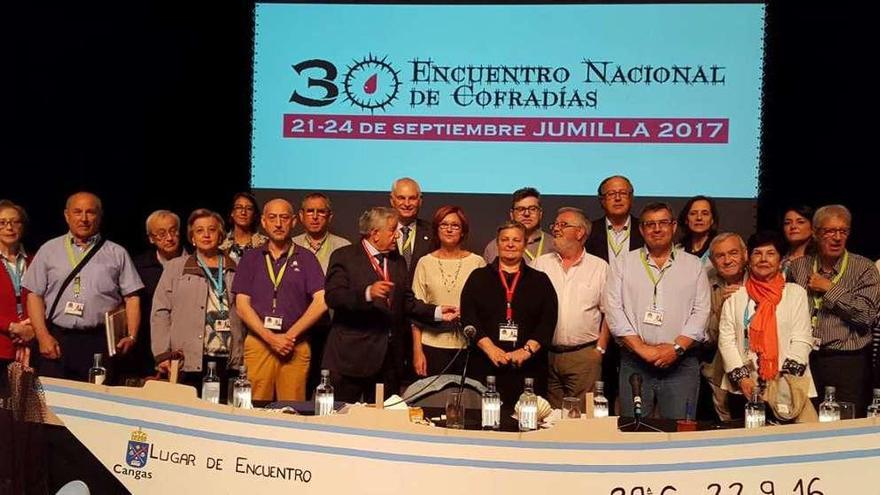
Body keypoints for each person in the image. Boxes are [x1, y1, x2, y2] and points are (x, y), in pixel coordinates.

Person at [322, 207, 458, 403]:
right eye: (393, 230)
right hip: (351, 359)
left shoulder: (397, 261)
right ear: (375, 233)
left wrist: (437, 312)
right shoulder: (344, 256)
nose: (398, 235)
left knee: (382, 423)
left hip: (388, 362)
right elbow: (334, 297)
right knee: (340, 420)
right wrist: (368, 293)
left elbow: (407, 303)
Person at [23, 192, 143, 381]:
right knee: (50, 405)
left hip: (99, 341)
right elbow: (34, 295)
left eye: (90, 212)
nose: (84, 218)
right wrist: (42, 336)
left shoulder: (117, 253)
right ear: (66, 215)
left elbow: (132, 297)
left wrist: (132, 336)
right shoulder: (49, 250)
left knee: (95, 403)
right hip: (57, 339)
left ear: (100, 215)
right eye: (78, 212)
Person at [605, 202, 710, 420]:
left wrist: (676, 348)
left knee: (680, 430)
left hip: (681, 363)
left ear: (673, 226)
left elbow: (701, 312)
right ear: (641, 230)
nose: (657, 229)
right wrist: (642, 349)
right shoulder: (623, 263)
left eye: (663, 223)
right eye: (650, 224)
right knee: (634, 430)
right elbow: (614, 310)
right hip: (635, 361)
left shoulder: (693, 265)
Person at [788, 205, 880, 416]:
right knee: (803, 423)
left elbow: (867, 315)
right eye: (830, 231)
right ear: (815, 233)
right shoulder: (799, 268)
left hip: (847, 363)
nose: (837, 237)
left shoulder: (864, 268)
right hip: (806, 360)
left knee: (844, 427)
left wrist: (830, 288)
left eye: (843, 231)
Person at [233, 199, 327, 402]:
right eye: (272, 218)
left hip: (295, 344)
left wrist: (288, 337)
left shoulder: (307, 258)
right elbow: (241, 305)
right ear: (263, 222)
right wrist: (270, 338)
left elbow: (321, 301)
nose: (278, 224)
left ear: (293, 222)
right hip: (259, 342)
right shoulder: (251, 258)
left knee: (291, 409)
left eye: (284, 218)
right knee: (254, 407)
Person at [718, 231, 816, 420]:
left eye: (770, 253)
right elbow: (726, 341)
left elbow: (802, 339)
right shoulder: (736, 296)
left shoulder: (795, 293)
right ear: (749, 258)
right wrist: (742, 379)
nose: (763, 259)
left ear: (780, 260)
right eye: (757, 253)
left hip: (787, 388)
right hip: (745, 388)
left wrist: (782, 382)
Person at [462, 220, 558, 408]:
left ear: (525, 244)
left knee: (528, 421)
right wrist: (490, 349)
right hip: (485, 364)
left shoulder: (540, 280)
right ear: (497, 244)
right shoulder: (478, 277)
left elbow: (548, 321)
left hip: (528, 367)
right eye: (505, 239)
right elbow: (468, 317)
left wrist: (526, 351)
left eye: (516, 240)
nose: (510, 244)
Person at [151, 209, 243, 402]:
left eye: (212, 229)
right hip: (187, 357)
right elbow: (160, 312)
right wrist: (162, 354)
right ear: (192, 237)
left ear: (221, 235)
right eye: (200, 231)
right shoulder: (176, 267)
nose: (206, 235)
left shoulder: (237, 267)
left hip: (227, 356)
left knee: (222, 415)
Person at [534, 208, 609, 409]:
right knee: (549, 418)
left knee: (582, 420)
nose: (556, 229)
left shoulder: (599, 267)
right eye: (555, 225)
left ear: (580, 232)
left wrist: (600, 349)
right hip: (546, 356)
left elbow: (609, 313)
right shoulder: (540, 264)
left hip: (584, 356)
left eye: (563, 225)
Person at [585, 175, 644, 413]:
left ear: (631, 197)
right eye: (611, 193)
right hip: (601, 326)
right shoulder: (589, 232)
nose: (618, 197)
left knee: (637, 392)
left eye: (623, 192)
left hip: (640, 323)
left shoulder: (646, 230)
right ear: (602, 200)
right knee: (602, 394)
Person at [411, 206, 486, 378]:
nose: (449, 229)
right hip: (431, 347)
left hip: (467, 347)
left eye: (455, 225)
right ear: (437, 230)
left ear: (463, 231)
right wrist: (417, 351)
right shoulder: (424, 263)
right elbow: (416, 312)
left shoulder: (477, 262)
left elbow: (485, 308)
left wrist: (467, 313)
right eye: (444, 225)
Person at [123, 210, 186, 380]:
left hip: (185, 349)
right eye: (161, 234)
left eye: (173, 231)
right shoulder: (138, 267)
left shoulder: (195, 264)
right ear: (151, 238)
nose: (169, 238)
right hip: (146, 348)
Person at [702, 233, 748, 421]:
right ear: (712, 260)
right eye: (720, 256)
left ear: (745, 254)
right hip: (719, 368)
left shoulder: (762, 277)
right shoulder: (704, 283)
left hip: (759, 367)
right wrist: (722, 309)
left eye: (733, 253)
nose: (727, 260)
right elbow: (705, 338)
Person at [1, 200, 33, 373]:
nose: (9, 227)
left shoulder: (35, 260)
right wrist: (12, 327)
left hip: (30, 347)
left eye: (15, 222)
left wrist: (32, 328)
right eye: (2, 223)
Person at [483, 187, 555, 265]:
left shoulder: (553, 245)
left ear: (540, 213)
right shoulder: (494, 247)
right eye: (521, 209)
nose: (526, 214)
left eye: (532, 209)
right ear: (512, 214)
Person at [292, 192, 351, 273]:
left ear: (329, 217)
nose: (315, 216)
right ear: (301, 216)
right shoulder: (291, 244)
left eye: (321, 212)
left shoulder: (344, 247)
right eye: (310, 211)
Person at [390, 178, 432, 276]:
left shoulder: (432, 233)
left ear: (420, 201)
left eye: (412, 198)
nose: (407, 204)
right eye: (401, 198)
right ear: (392, 200)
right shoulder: (380, 232)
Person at [219, 192, 267, 263]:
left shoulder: (265, 244)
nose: (243, 212)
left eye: (249, 209)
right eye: (238, 207)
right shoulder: (220, 243)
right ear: (232, 212)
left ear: (254, 215)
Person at [677, 195, 719, 264]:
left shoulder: (719, 248)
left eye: (705, 214)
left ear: (712, 220)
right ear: (686, 219)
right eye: (693, 213)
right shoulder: (677, 251)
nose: (699, 218)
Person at [781, 205, 815, 278]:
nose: (793, 226)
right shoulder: (779, 259)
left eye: (800, 222)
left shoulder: (819, 261)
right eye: (787, 223)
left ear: (813, 228)